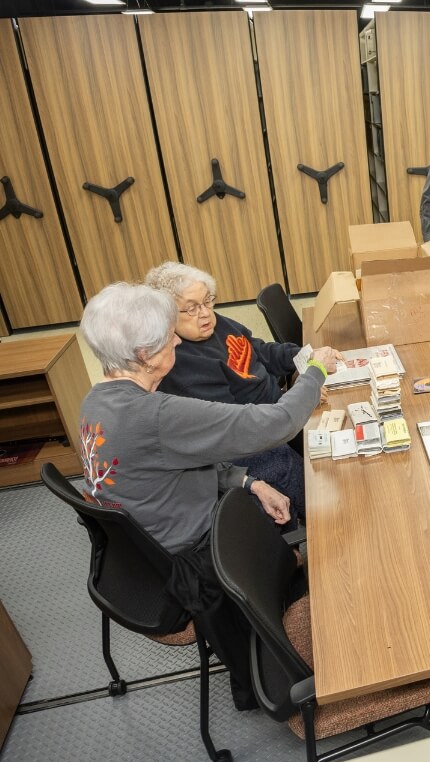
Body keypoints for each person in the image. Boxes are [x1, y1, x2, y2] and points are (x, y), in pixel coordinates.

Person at [76, 282, 339, 710]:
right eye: (168, 335)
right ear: (145, 354)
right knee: (327, 546)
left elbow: (166, 461)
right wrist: (316, 372)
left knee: (275, 491)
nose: (177, 339)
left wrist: (247, 482)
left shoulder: (95, 401)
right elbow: (277, 423)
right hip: (195, 561)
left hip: (145, 556)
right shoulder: (158, 413)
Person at [145, 262, 308, 528]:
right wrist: (296, 400)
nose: (205, 313)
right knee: (296, 463)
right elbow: (237, 424)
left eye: (207, 301)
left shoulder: (216, 325)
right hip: (250, 436)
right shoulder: (180, 363)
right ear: (166, 316)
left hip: (276, 410)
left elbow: (259, 351)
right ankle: (328, 527)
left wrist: (302, 357)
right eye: (191, 308)